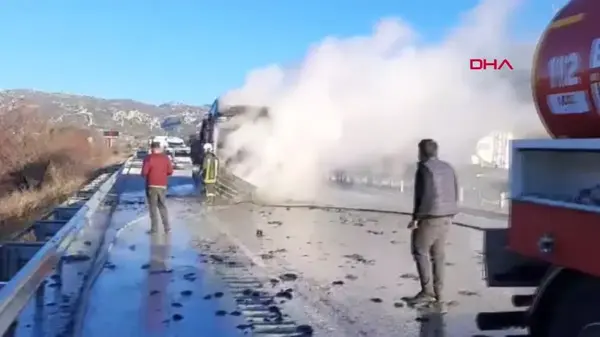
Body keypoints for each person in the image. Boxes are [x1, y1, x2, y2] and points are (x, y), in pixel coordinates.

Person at [406, 139, 458, 307]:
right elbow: (455, 190)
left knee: (419, 250)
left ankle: (427, 292)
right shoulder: (448, 167)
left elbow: (424, 195)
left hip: (430, 216)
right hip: (447, 216)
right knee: (439, 255)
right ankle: (439, 292)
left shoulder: (424, 168)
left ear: (421, 152)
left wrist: (416, 218)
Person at [141, 141, 173, 233]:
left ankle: (154, 229)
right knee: (162, 206)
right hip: (163, 186)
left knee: (153, 207)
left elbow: (144, 172)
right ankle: (167, 228)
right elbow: (170, 171)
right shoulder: (166, 158)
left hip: (152, 185)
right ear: (159, 148)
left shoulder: (149, 158)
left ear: (152, 149)